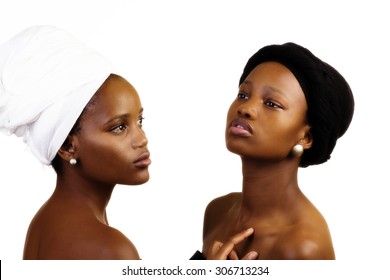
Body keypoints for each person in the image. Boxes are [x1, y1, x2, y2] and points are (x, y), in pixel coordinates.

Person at [191, 42, 354, 260]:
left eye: (271, 103)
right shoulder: (217, 212)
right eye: (243, 95)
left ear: (306, 137)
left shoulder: (304, 247)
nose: (245, 108)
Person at [0, 25, 151, 259]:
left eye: (140, 120)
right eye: (119, 127)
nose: (142, 139)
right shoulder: (111, 250)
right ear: (67, 146)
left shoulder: (45, 222)